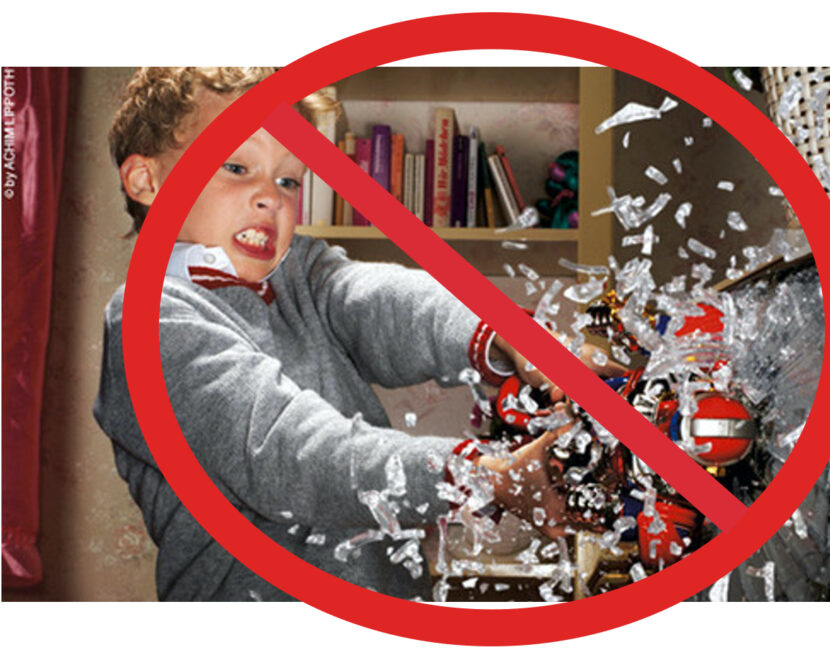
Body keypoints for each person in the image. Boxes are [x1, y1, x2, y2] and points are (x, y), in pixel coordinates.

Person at [93, 67, 624, 601]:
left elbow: (381, 302)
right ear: (147, 180)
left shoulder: (298, 270)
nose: (269, 198)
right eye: (236, 166)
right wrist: (479, 474)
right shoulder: (153, 320)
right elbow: (293, 456)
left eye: (288, 180)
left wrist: (502, 336)